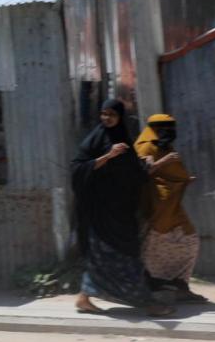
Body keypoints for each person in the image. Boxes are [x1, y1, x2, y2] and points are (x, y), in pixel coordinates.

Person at [71, 99, 172, 317]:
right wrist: (108, 156)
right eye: (103, 113)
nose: (107, 118)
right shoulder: (95, 140)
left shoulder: (124, 139)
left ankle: (83, 298)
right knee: (124, 258)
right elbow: (78, 169)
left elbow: (134, 175)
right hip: (101, 213)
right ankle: (146, 303)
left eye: (112, 115)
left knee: (108, 257)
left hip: (122, 211)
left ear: (120, 117)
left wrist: (151, 164)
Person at [136, 114, 207, 303]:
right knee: (156, 245)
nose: (171, 132)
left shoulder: (163, 145)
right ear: (156, 128)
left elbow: (170, 173)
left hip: (171, 204)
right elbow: (142, 172)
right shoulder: (146, 146)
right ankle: (154, 285)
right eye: (166, 128)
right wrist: (165, 161)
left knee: (190, 239)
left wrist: (182, 180)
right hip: (156, 207)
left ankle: (180, 284)